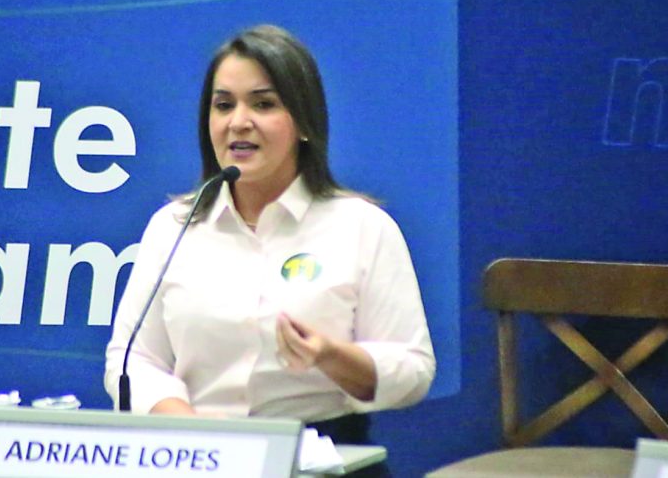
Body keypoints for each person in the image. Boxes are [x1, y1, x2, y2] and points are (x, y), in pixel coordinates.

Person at [104, 24, 435, 474]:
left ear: (303, 122)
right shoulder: (173, 227)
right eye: (224, 105)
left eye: (263, 104)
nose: (239, 121)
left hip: (320, 460)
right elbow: (132, 362)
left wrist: (330, 355)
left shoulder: (362, 227)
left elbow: (412, 371)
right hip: (195, 459)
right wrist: (193, 435)